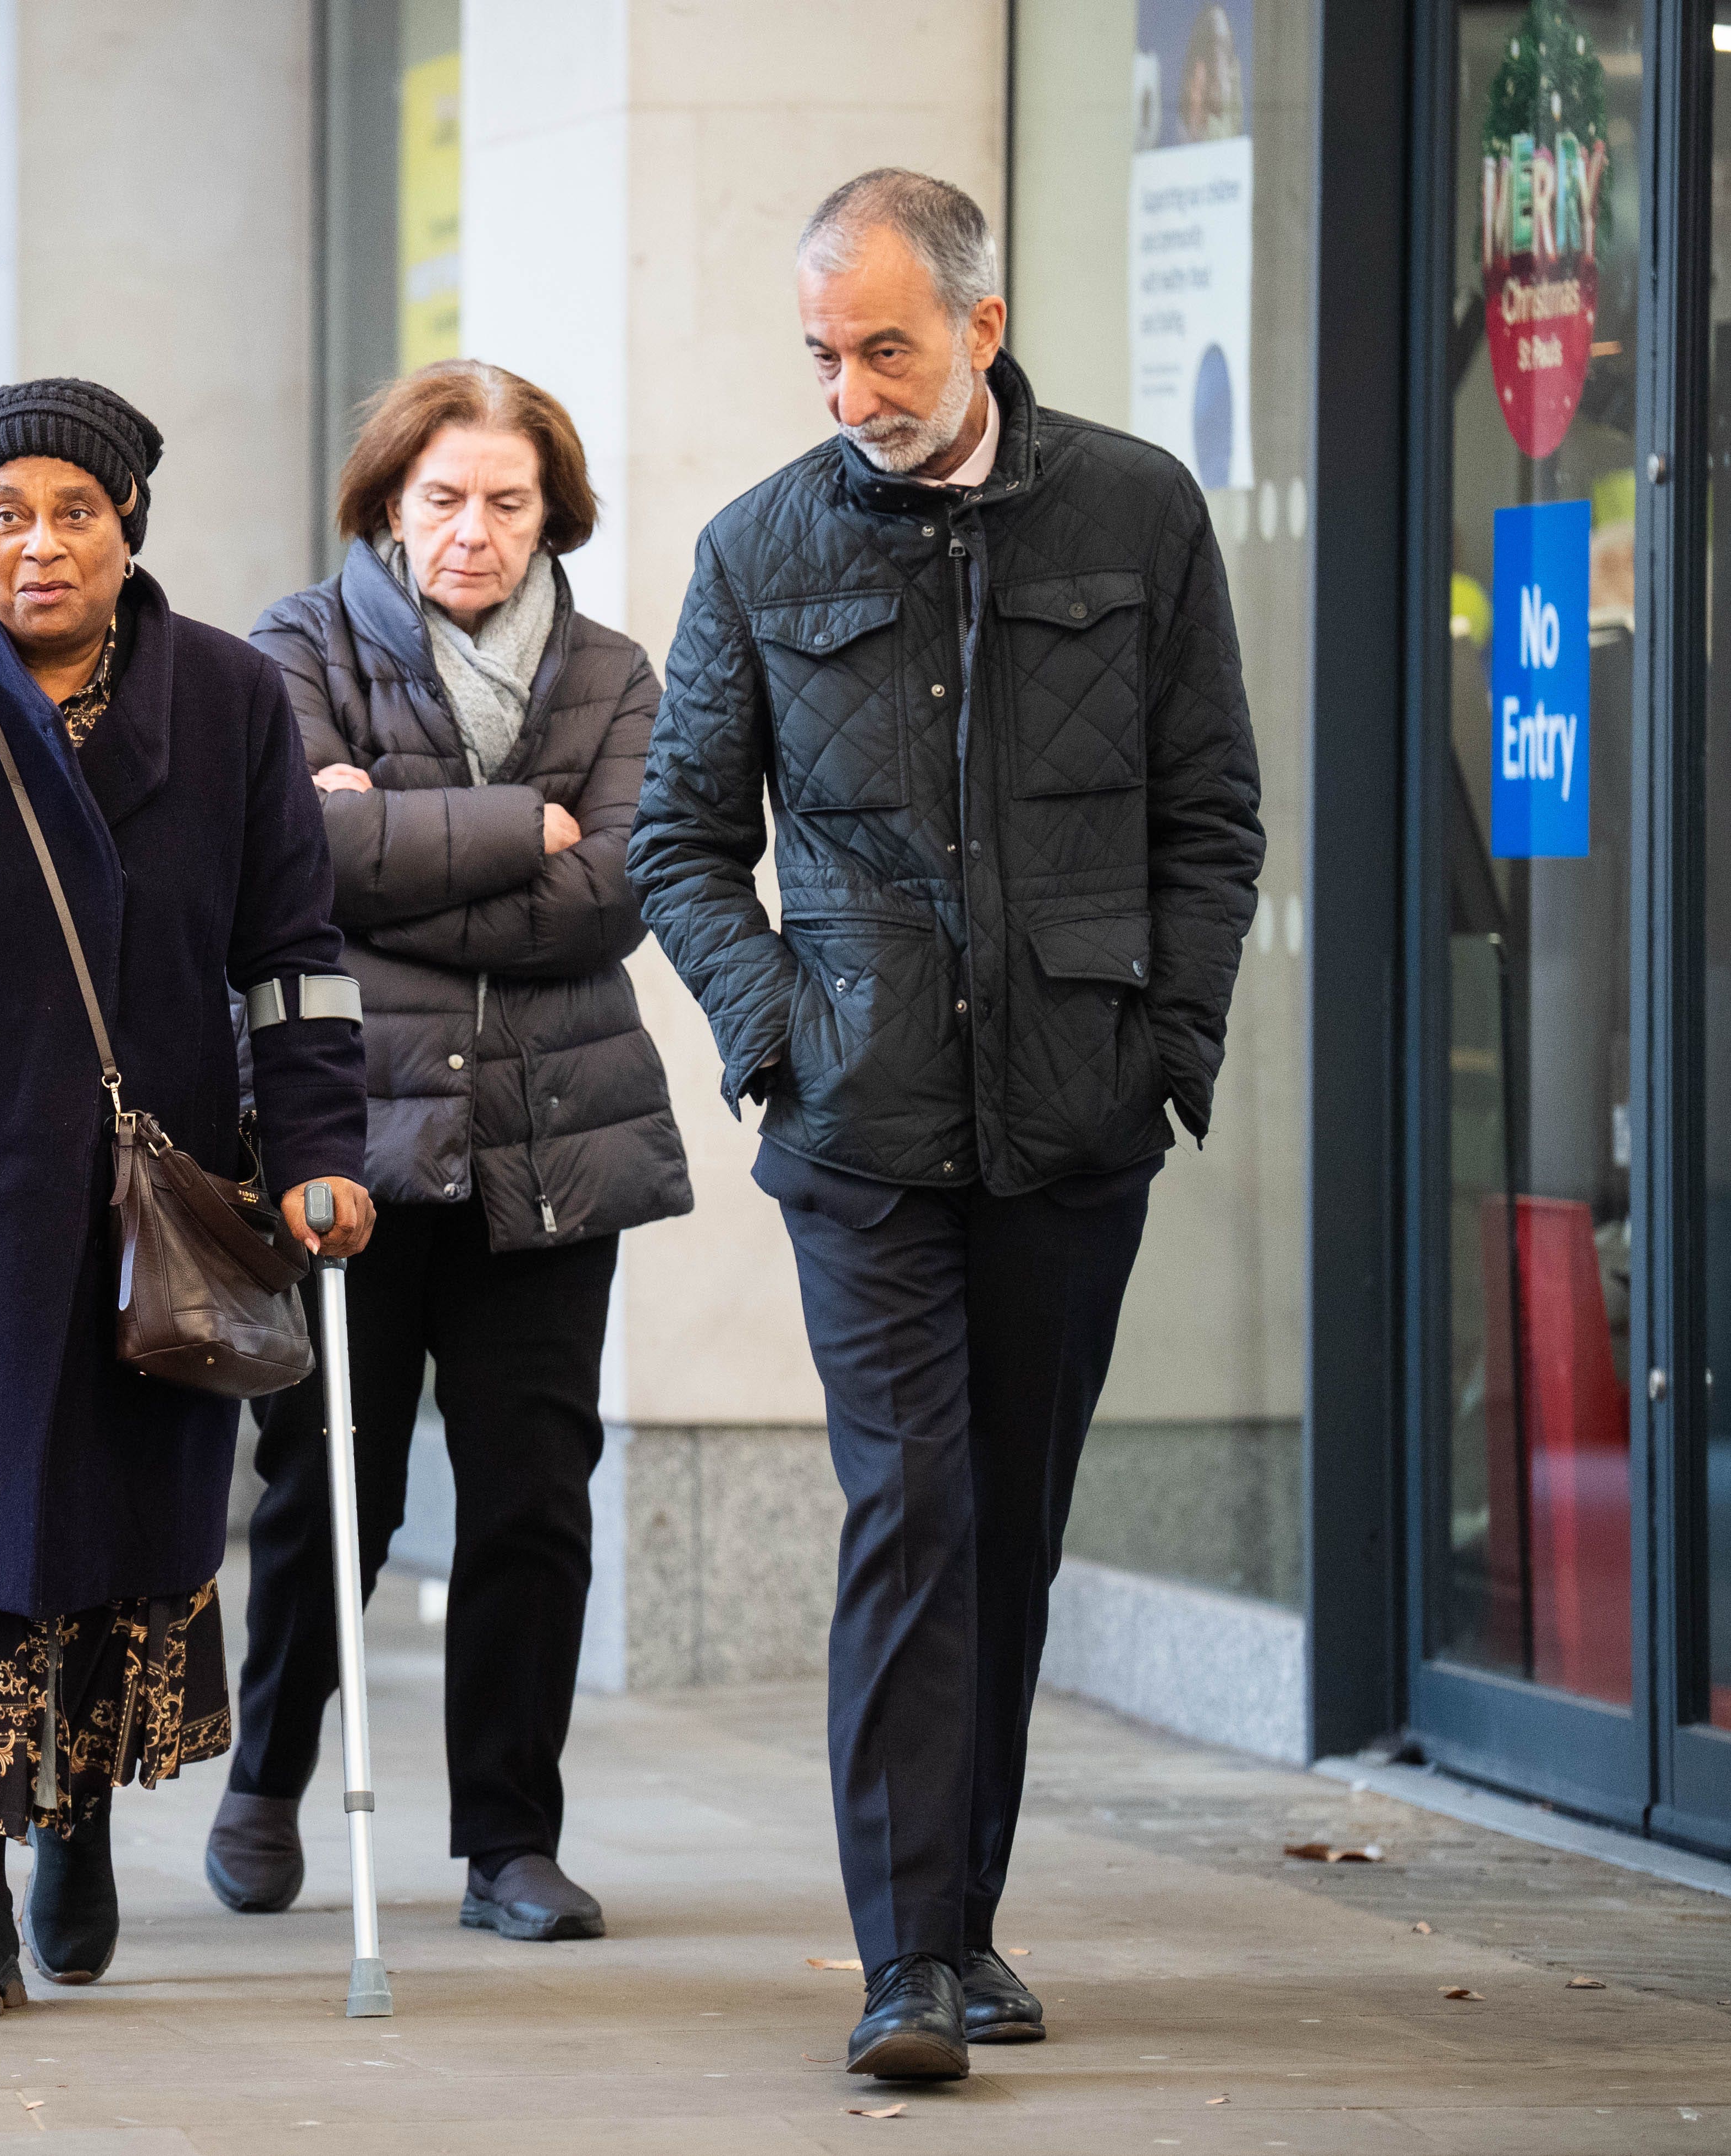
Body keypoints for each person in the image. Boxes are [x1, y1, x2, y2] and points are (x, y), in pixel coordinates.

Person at [629, 169, 1262, 2079]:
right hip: (861, 1126)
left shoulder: (1138, 510)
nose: (846, 388)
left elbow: (1208, 813)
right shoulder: (757, 548)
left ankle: (964, 1920)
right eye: (821, 353)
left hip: (1074, 1118)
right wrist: (777, 1035)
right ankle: (904, 1959)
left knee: (1013, 1526)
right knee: (913, 1507)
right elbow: (678, 838)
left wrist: (1167, 1042)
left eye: (882, 346)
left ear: (981, 325)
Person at [0, 379, 374, 2018]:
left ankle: (74, 1820)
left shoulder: (232, 701)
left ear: (128, 526)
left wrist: (317, 1154)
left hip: (140, 1214)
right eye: (6, 512)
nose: (40, 542)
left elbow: (292, 965)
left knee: (106, 1532)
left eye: (74, 510)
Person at [213, 359, 691, 1943]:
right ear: (384, 503)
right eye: (441, 500)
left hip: (559, 1139)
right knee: (323, 1487)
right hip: (350, 1132)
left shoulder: (615, 677)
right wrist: (511, 825)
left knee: (533, 1498)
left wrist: (396, 837)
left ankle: (507, 1840)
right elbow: (298, 859)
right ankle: (264, 1779)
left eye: (506, 502)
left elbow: (614, 891)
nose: (471, 533)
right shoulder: (296, 648)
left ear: (551, 514)